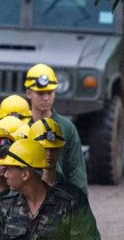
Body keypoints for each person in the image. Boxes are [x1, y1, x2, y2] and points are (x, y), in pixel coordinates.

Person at [29, 118, 103, 240]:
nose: (49, 154)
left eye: (53, 148)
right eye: (44, 148)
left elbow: (88, 228)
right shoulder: (20, 192)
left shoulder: (73, 194)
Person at [24, 64, 88, 192]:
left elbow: (75, 170)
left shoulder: (66, 127)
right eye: (40, 93)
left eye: (50, 92)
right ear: (29, 93)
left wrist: (80, 205)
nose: (46, 98)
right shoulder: (21, 126)